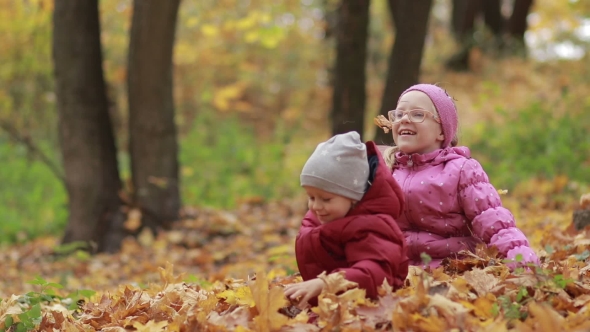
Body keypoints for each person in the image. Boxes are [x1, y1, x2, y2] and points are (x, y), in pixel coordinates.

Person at [381, 83, 539, 269]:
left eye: (417, 114)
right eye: (399, 114)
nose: (404, 119)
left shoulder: (461, 170)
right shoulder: (386, 169)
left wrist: (523, 264)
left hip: (453, 268)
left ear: (442, 130)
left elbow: (493, 222)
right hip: (400, 271)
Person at [284, 131, 408, 308]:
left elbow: (376, 273)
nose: (316, 206)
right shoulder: (328, 216)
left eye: (325, 199)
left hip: (370, 308)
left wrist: (326, 283)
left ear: (353, 197)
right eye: (311, 197)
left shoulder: (371, 226)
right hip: (334, 304)